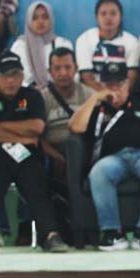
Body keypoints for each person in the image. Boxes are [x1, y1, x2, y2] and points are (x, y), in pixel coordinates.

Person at [0, 51, 69, 254]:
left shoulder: (32, 96)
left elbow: (37, 127)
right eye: (6, 75)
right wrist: (22, 137)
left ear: (22, 76)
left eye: (15, 75)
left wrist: (0, 126)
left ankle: (50, 235)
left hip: (24, 156)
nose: (11, 81)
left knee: (38, 186)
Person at [69, 61, 140, 251]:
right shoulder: (96, 110)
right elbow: (75, 127)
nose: (115, 89)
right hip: (112, 158)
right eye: (109, 84)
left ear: (127, 84)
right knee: (99, 172)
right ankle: (111, 232)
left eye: (119, 84)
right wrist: (95, 98)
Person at [40, 48, 94, 181]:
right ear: (50, 71)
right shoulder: (41, 98)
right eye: (57, 68)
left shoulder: (89, 95)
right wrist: (56, 156)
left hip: (82, 148)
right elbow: (36, 137)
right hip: (52, 150)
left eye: (68, 67)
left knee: (75, 145)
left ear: (76, 69)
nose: (63, 73)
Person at [75, 0, 140, 91]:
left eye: (113, 13)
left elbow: (132, 76)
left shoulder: (131, 41)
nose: (108, 18)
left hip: (123, 94)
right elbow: (86, 77)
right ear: (96, 17)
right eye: (103, 14)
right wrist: (106, 94)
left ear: (121, 17)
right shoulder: (84, 39)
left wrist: (120, 95)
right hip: (94, 94)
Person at [10, 1, 73, 89]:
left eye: (45, 17)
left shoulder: (62, 44)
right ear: (28, 21)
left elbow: (72, 75)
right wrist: (31, 89)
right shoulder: (19, 46)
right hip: (26, 92)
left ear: (51, 19)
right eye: (35, 18)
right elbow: (13, 75)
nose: (40, 22)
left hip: (57, 92)